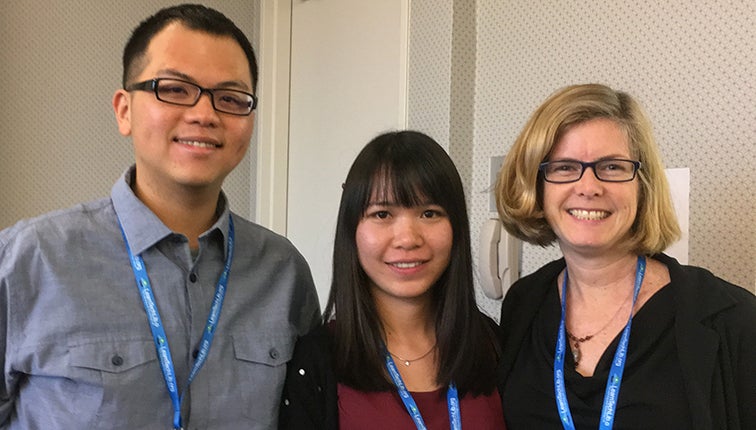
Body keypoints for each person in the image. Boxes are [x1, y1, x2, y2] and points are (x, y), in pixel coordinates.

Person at [0, 4, 320, 429]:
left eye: (230, 98)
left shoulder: (283, 272)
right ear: (124, 110)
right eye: (174, 88)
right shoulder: (28, 260)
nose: (205, 114)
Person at [494, 83, 756, 429]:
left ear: (642, 184)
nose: (588, 187)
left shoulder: (732, 320)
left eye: (613, 167)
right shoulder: (524, 304)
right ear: (537, 185)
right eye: (564, 167)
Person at [278, 130, 506, 429]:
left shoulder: (492, 342)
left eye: (429, 213)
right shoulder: (317, 359)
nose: (408, 239)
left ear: (456, 228)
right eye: (382, 214)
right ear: (353, 231)